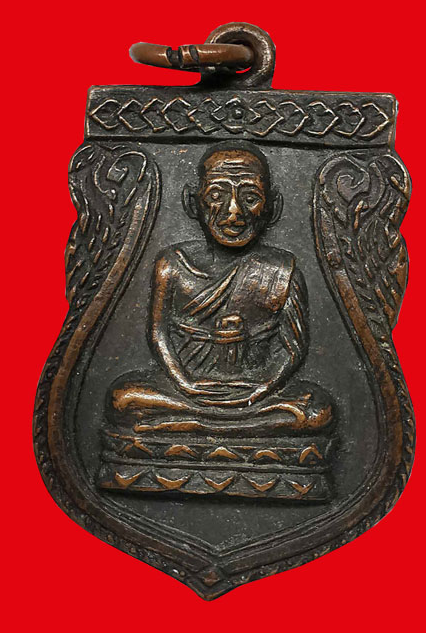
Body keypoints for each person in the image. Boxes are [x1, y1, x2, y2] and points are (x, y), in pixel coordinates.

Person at [109, 142, 333, 435]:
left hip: (255, 391)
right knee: (122, 399)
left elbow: (293, 349)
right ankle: (228, 425)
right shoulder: (172, 265)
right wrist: (185, 384)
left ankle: (195, 424)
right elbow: (158, 333)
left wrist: (262, 389)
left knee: (317, 411)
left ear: (273, 206)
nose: (234, 212)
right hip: (187, 389)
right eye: (217, 196)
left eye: (250, 197)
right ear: (193, 203)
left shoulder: (281, 270)